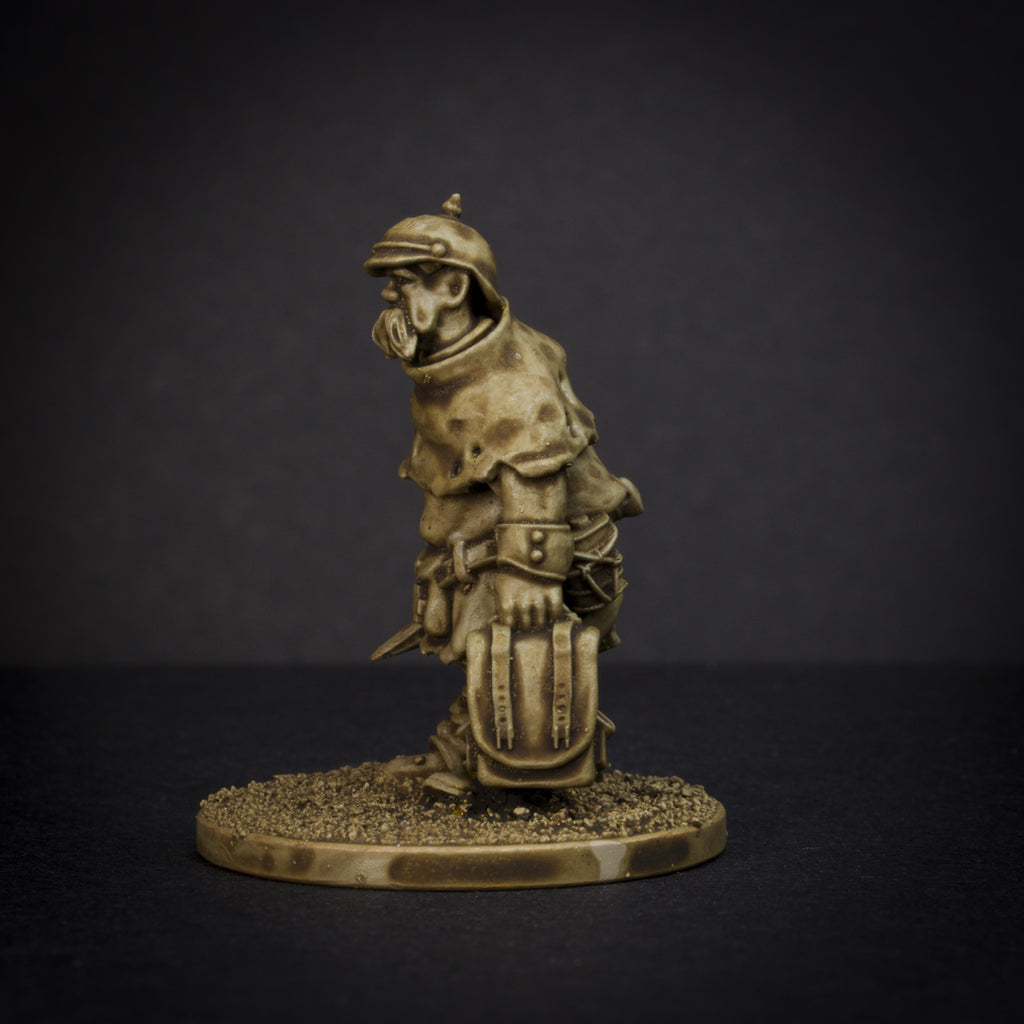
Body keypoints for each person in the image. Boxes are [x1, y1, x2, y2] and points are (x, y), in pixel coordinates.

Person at [365, 195, 642, 794]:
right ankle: (469, 746)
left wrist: (528, 575)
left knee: (514, 646)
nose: (389, 297)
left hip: (545, 546)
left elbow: (534, 474)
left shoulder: (512, 381)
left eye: (404, 283)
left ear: (454, 288)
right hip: (483, 541)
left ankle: (520, 759)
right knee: (478, 646)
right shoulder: (455, 360)